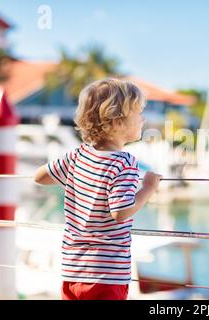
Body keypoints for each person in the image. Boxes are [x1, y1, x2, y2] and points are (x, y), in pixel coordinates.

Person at [34, 78, 162, 300]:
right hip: (106, 275)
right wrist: (149, 188)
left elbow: (40, 177)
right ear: (117, 122)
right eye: (138, 113)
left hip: (73, 270)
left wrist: (81, 180)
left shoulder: (78, 155)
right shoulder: (124, 162)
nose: (143, 118)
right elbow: (121, 212)